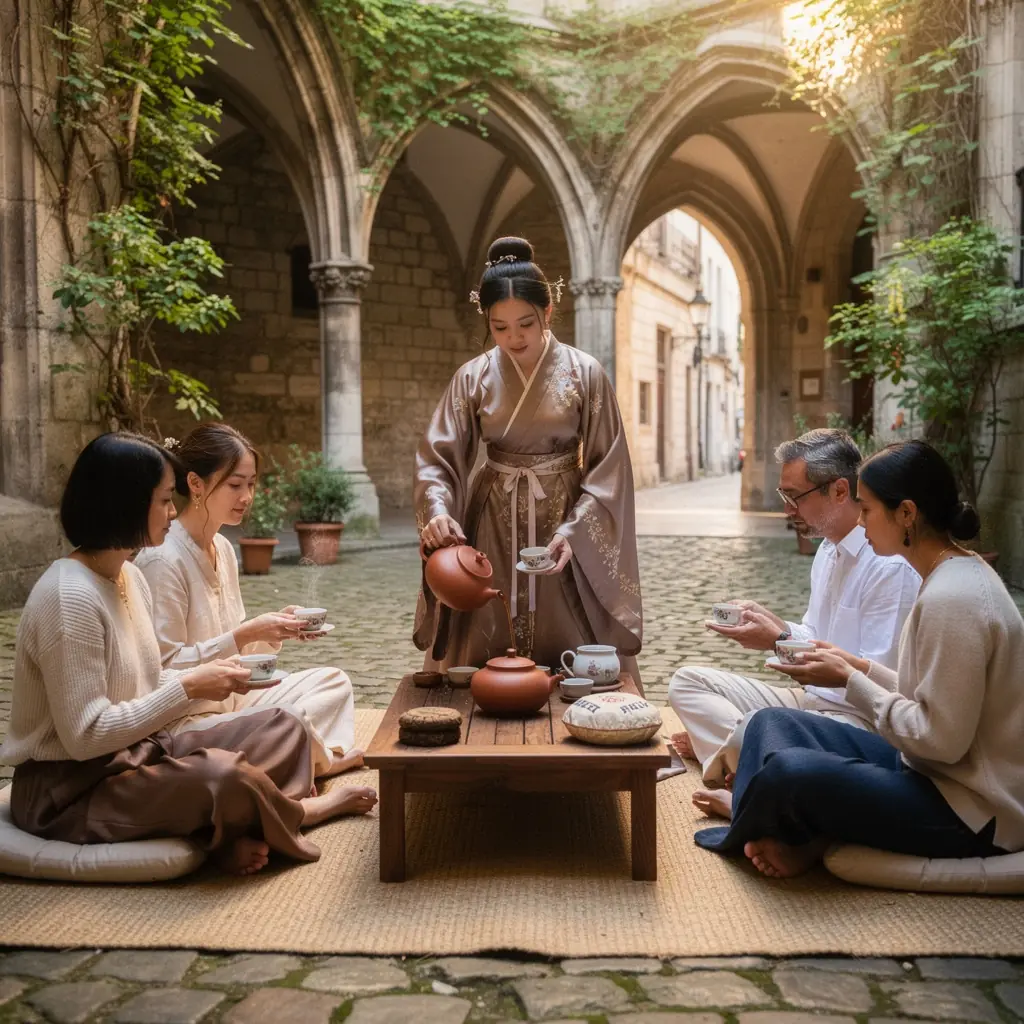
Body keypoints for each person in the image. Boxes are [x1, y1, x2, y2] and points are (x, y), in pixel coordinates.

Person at [0, 434, 376, 876]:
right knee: (222, 776)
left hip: (139, 751)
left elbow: (145, 680)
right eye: (163, 500)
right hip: (71, 791)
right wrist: (188, 686)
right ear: (123, 503)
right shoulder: (70, 596)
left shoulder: (127, 579)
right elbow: (85, 736)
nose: (173, 511)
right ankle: (302, 813)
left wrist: (211, 674)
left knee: (284, 725)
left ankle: (231, 828)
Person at [694, 440, 1024, 877]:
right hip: (922, 770)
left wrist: (851, 681)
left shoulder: (954, 598)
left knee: (790, 770)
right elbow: (921, 695)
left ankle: (762, 822)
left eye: (866, 510)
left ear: (906, 513)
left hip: (967, 809)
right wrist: (859, 668)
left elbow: (940, 741)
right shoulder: (948, 575)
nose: (860, 521)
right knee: (767, 724)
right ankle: (770, 823)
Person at [414, 236, 642, 678]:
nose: (514, 338)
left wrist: (576, 532)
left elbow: (608, 467)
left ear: (548, 313)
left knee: (572, 631)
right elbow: (437, 458)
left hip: (563, 513)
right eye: (499, 327)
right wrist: (438, 511)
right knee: (485, 624)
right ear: (487, 320)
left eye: (526, 323)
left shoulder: (585, 373)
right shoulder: (473, 377)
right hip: (491, 516)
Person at [668, 429, 920, 796]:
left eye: (794, 496)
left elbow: (878, 688)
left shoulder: (888, 567)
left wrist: (778, 641)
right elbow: (814, 634)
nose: (787, 508)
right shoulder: (828, 551)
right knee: (687, 682)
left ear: (838, 491)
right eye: (784, 495)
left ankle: (736, 765)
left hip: (856, 722)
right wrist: (777, 628)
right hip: (812, 703)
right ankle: (740, 760)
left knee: (758, 724)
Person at [136, 424, 362, 780]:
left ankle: (302, 755)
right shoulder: (163, 560)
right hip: (186, 720)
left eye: (252, 484)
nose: (247, 496)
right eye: (235, 484)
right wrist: (245, 634)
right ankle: (311, 761)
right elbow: (162, 670)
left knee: (333, 681)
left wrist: (274, 631)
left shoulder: (224, 549)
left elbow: (234, 648)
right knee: (290, 719)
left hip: (235, 701)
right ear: (195, 484)